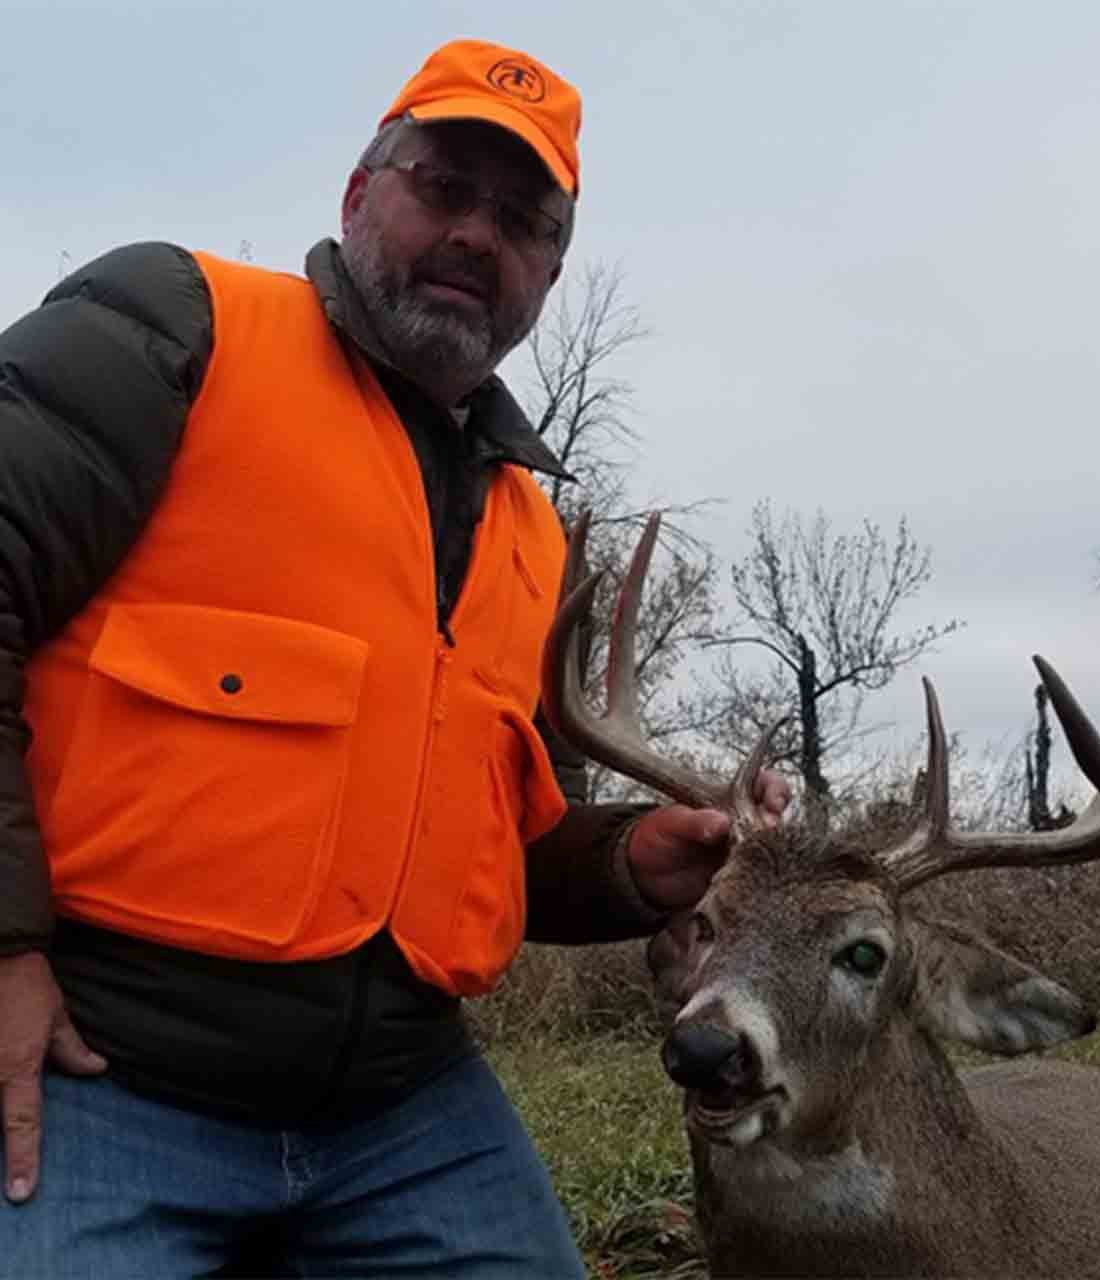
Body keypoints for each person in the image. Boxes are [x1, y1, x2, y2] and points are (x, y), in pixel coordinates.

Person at [0, 38, 787, 1278]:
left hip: (400, 1113)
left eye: (522, 219)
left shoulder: (529, 537)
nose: (478, 235)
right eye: (444, 187)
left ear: (551, 273)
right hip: (103, 1070)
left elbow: (488, 855)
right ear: (360, 194)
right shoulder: (174, 331)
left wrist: (636, 859)